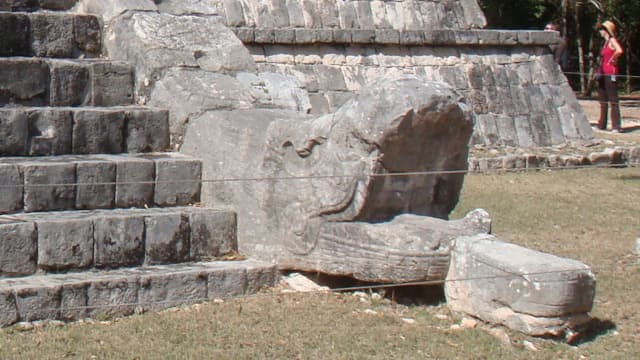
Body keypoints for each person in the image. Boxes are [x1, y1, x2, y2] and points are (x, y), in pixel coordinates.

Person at [596, 20, 624, 132]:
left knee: (613, 99)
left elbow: (619, 51)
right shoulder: (604, 43)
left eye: (602, 29)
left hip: (610, 72)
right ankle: (602, 124)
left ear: (607, 31)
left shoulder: (612, 40)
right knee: (603, 99)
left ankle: (616, 126)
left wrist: (613, 59)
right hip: (602, 73)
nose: (600, 31)